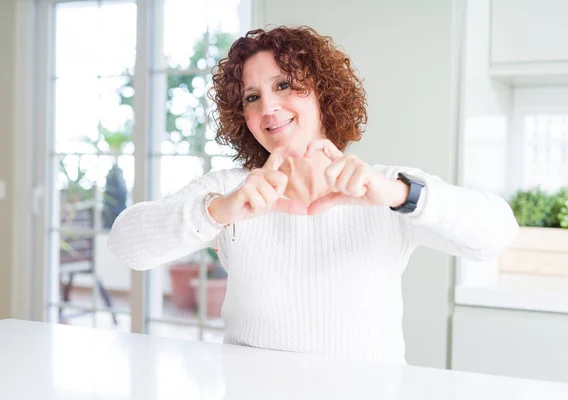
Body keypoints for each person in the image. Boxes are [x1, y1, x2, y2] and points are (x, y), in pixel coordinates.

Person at [108, 25, 519, 364]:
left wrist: (397, 195)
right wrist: (220, 210)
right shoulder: (232, 189)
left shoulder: (384, 187)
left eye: (284, 85)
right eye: (252, 98)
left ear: (323, 93)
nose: (268, 107)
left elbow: (498, 233)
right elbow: (127, 245)